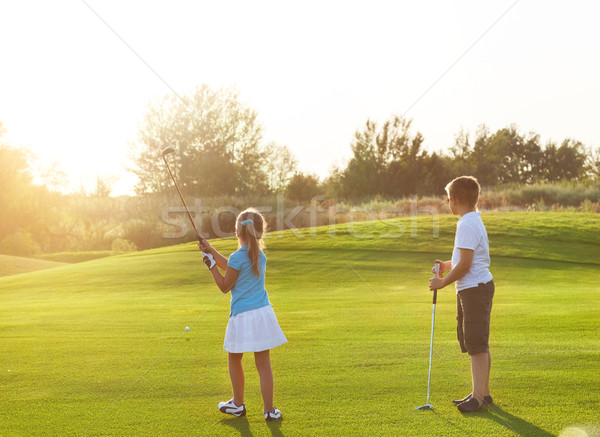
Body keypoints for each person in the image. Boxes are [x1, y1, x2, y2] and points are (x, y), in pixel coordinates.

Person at [198, 208, 287, 421]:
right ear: (259, 232)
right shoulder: (259, 256)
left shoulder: (237, 257)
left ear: (237, 231)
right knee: (263, 364)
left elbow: (224, 285)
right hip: (262, 315)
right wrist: (210, 249)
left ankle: (238, 404)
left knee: (234, 358)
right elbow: (232, 266)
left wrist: (211, 266)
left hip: (242, 317)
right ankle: (269, 411)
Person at [429, 176, 495, 413]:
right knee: (477, 341)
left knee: (476, 344)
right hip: (475, 287)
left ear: (453, 200)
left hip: (474, 289)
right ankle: (483, 392)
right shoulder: (472, 220)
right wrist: (447, 265)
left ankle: (477, 398)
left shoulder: (466, 224)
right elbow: (464, 259)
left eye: (447, 198)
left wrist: (441, 283)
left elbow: (466, 264)